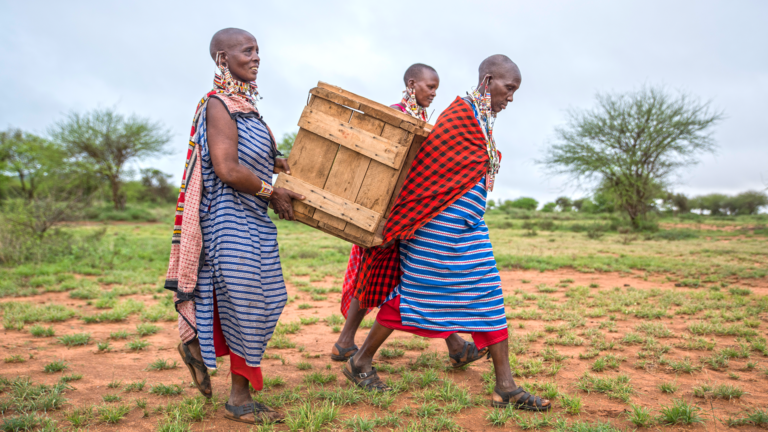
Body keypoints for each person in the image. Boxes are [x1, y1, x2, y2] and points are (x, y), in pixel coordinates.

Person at [342, 55, 552, 411]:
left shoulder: (481, 120)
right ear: (488, 81)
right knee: (415, 298)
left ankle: (505, 386)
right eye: (509, 88)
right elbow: (431, 175)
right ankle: (360, 360)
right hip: (435, 232)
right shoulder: (460, 115)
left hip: (467, 232)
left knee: (488, 298)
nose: (511, 98)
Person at [164, 28, 304, 425]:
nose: (257, 57)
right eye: (247, 51)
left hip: (252, 217)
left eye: (258, 50)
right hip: (227, 217)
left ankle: (194, 345)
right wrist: (271, 192)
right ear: (223, 59)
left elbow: (255, 155)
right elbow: (226, 168)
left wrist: (280, 163)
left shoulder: (246, 105)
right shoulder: (217, 105)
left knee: (263, 299)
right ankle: (239, 399)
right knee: (246, 303)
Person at [332, 64, 490, 370]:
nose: (433, 94)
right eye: (430, 87)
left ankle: (454, 346)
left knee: (393, 278)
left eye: (436, 89)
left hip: (406, 215)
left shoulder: (420, 120)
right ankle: (348, 344)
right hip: (392, 214)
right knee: (385, 277)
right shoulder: (397, 116)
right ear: (412, 84)